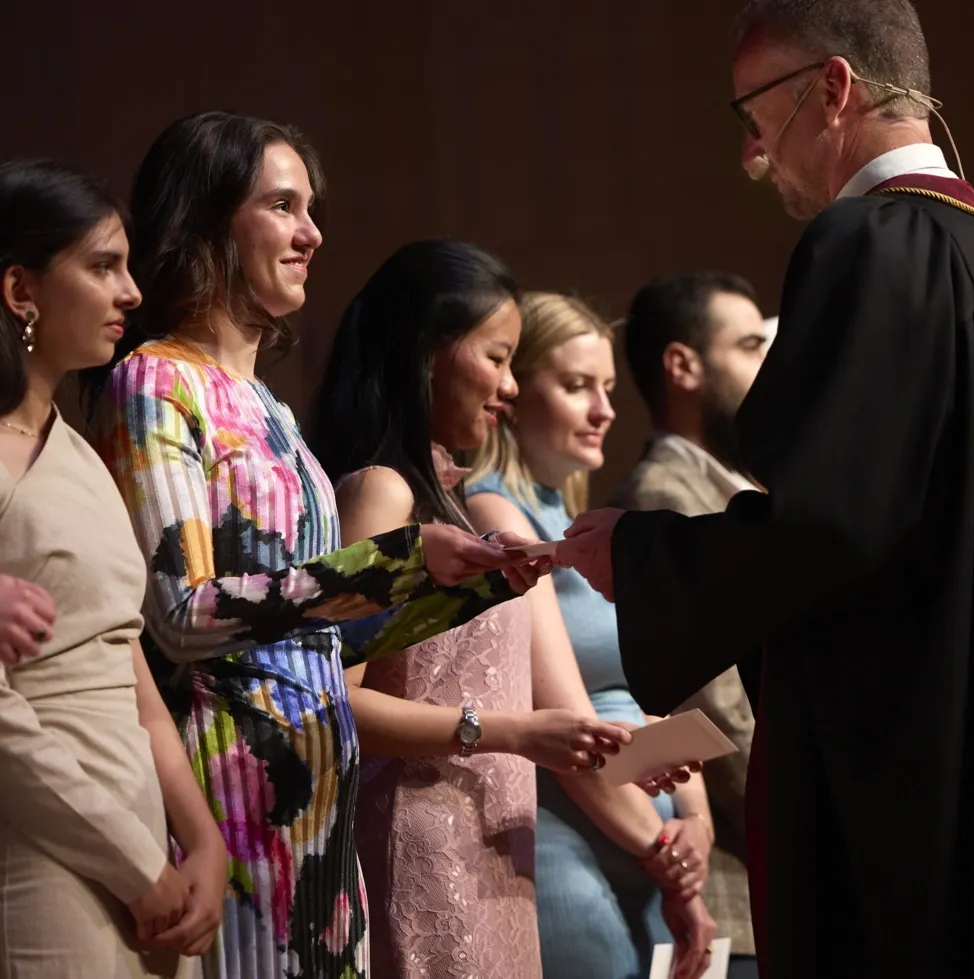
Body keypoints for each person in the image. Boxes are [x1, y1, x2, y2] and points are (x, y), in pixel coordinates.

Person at [555, 3, 974, 977]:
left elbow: (830, 522)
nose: (756, 155)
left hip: (934, 788)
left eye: (755, 117)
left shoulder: (869, 244)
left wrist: (639, 556)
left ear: (834, 88)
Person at [83, 114, 547, 979]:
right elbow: (185, 617)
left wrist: (475, 584)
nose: (313, 233)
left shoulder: (271, 409)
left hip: (321, 814)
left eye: (312, 207)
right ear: (210, 220)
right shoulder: (155, 380)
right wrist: (399, 562)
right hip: (233, 792)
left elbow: (316, 638)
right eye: (284, 206)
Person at [308, 238, 636, 979]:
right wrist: (512, 732)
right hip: (424, 856)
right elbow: (335, 701)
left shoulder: (450, 498)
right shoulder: (384, 492)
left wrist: (592, 744)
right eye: (496, 357)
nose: (511, 387)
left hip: (487, 849)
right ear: (428, 352)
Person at [0, 158, 228, 977]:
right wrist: (136, 865)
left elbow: (130, 670)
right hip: (39, 849)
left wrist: (201, 840)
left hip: (148, 856)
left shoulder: (82, 455)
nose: (132, 293)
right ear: (20, 290)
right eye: (102, 267)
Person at [466, 292, 719, 979]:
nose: (605, 409)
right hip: (563, 843)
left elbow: (649, 697)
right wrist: (666, 846)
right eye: (578, 386)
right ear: (515, 394)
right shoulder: (496, 510)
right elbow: (567, 719)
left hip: (644, 845)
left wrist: (695, 818)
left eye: (607, 387)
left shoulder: (582, 517)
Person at [611, 271, 770, 979]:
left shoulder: (738, 490)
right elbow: (715, 705)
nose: (772, 364)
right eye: (750, 345)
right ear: (682, 365)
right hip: (731, 884)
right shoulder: (666, 498)